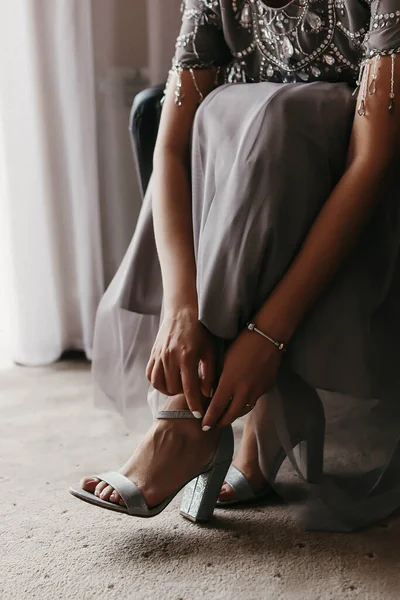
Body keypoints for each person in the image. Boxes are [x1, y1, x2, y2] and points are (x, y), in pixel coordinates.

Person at [70, 0, 400, 531]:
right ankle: (228, 410)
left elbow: (373, 160)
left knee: (285, 116)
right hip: (260, 195)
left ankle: (188, 422)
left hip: (370, 201)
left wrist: (267, 337)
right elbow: (171, 147)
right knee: (223, 113)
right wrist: (181, 306)